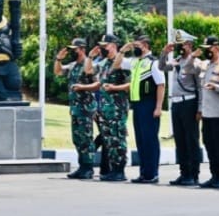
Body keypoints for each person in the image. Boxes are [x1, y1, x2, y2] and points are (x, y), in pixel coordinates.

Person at [114, 35, 165, 184]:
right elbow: (116, 65)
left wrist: (158, 107)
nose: (136, 47)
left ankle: (152, 173)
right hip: (137, 104)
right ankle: (144, 172)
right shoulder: (135, 61)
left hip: (149, 104)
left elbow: (161, 85)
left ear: (146, 45)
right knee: (141, 140)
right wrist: (123, 50)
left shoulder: (153, 63)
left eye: (139, 45)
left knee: (150, 140)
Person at [158, 29, 201, 186]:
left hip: (189, 103)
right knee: (180, 141)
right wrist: (164, 52)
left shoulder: (195, 63)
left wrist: (200, 109)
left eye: (182, 45)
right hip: (176, 103)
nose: (179, 48)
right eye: (178, 45)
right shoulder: (177, 60)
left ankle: (193, 174)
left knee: (191, 140)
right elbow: (161, 66)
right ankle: (184, 173)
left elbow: (200, 88)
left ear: (189, 45)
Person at [189, 36, 219, 189]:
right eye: (205, 48)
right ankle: (215, 176)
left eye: (209, 48)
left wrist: (217, 87)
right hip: (207, 113)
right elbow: (187, 69)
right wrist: (193, 55)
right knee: (209, 145)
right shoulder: (206, 65)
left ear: (217, 47)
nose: (207, 51)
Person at [53, 38, 96, 179]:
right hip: (75, 108)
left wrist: (83, 87)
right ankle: (81, 166)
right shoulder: (73, 65)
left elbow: (97, 84)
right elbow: (58, 72)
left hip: (86, 107)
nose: (72, 52)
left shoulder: (89, 65)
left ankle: (88, 168)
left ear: (82, 49)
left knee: (86, 138)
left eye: (75, 49)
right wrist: (58, 59)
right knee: (77, 138)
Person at [87, 34, 126, 181]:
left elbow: (131, 84)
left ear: (114, 45)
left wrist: (115, 87)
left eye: (105, 45)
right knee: (108, 140)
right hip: (104, 108)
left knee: (117, 139)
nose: (103, 48)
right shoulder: (104, 63)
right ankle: (111, 169)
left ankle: (119, 170)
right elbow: (89, 71)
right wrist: (90, 57)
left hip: (117, 108)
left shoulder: (123, 62)